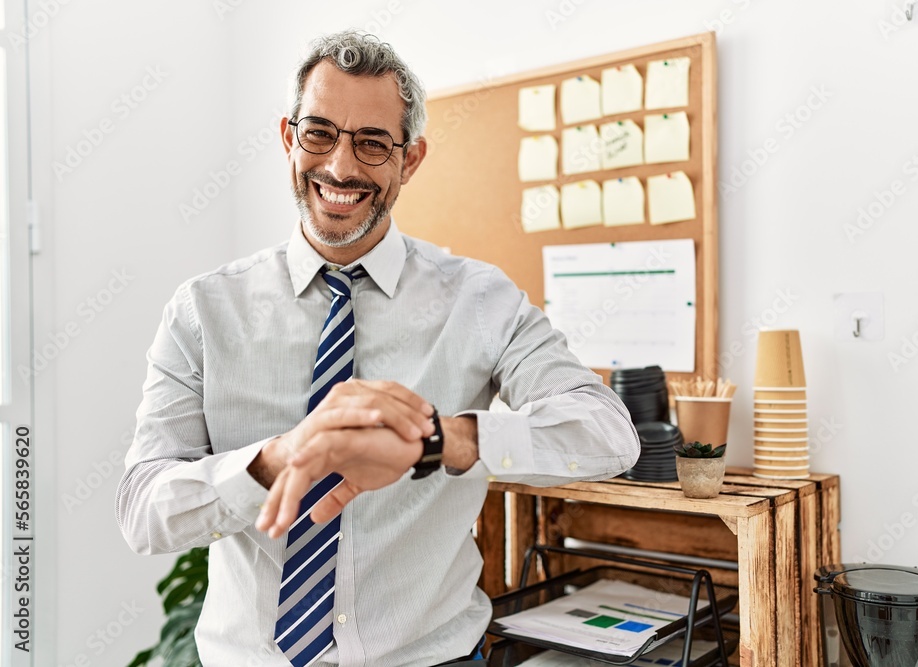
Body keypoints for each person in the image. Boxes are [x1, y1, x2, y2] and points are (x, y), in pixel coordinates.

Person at [116, 30, 639, 667]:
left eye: (372, 143)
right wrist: (282, 458)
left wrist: (439, 440)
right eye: (319, 133)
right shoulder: (202, 311)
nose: (340, 167)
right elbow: (144, 511)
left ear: (409, 160)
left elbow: (609, 434)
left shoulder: (480, 299)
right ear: (289, 136)